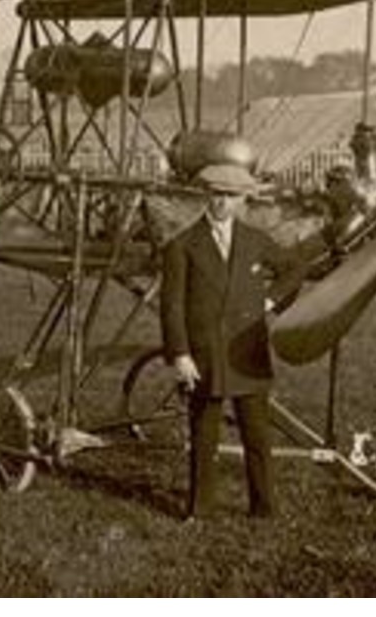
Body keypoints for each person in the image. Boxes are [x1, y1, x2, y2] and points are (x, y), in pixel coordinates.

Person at [161, 163, 277, 520]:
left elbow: (296, 267)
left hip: (247, 353)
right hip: (204, 355)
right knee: (203, 437)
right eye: (216, 195)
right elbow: (172, 305)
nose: (222, 203)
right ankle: (200, 508)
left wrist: (271, 301)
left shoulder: (256, 241)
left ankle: (264, 507)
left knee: (257, 436)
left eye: (230, 196)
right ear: (205, 196)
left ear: (242, 200)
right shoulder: (182, 245)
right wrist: (180, 354)